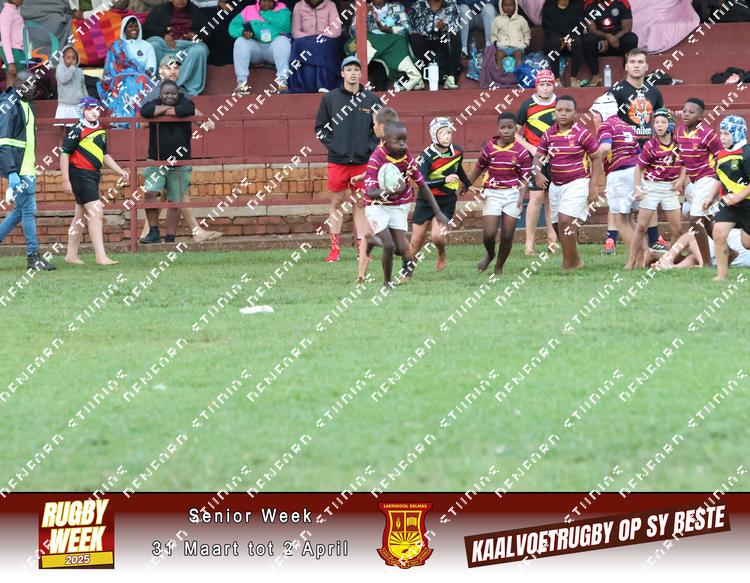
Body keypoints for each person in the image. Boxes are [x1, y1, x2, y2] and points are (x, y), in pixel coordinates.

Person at [139, 55, 222, 244]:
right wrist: (178, 113)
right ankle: (191, 231)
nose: (173, 71)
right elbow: (143, 120)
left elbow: (188, 110)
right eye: (169, 67)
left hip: (179, 154)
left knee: (173, 196)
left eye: (176, 68)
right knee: (157, 193)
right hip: (158, 153)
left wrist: (191, 115)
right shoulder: (153, 92)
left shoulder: (183, 93)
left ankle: (160, 235)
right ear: (161, 70)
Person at [364, 121, 449, 289]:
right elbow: (371, 192)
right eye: (397, 141)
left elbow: (422, 184)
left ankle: (373, 240)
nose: (403, 144)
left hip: (398, 205)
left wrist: (438, 212)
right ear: (386, 140)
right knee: (389, 245)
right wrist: (394, 190)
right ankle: (387, 284)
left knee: (399, 249)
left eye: (404, 140)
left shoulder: (406, 156)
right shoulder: (376, 158)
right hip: (376, 205)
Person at [314, 56, 381, 262]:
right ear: (342, 73)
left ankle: (362, 250)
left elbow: (380, 129)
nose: (352, 73)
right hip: (338, 161)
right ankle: (334, 251)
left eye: (356, 69)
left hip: (362, 162)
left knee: (360, 203)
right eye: (348, 69)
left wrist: (368, 148)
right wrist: (336, 146)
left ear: (360, 74)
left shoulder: (371, 100)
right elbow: (320, 128)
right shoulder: (330, 98)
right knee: (337, 202)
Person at [607, 48, 666, 255]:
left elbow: (660, 119)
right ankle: (610, 239)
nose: (636, 65)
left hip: (647, 148)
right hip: (623, 150)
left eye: (640, 62)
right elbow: (607, 120)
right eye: (632, 62)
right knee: (618, 196)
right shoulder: (616, 91)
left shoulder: (654, 92)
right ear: (626, 66)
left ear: (647, 66)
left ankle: (654, 238)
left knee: (648, 193)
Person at [533, 95, 602, 270]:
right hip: (556, 185)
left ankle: (568, 264)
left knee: (565, 220)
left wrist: (594, 185)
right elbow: (538, 157)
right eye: (559, 110)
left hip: (578, 182)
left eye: (568, 110)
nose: (563, 114)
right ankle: (575, 260)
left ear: (575, 113)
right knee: (557, 226)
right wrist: (538, 173)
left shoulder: (582, 134)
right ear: (555, 112)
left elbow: (596, 158)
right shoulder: (548, 133)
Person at [61, 97, 130, 265]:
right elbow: (64, 154)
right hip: (80, 175)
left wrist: (119, 170)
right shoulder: (76, 129)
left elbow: (104, 155)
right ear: (82, 110)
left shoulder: (100, 130)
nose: (94, 112)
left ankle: (71, 255)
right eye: (90, 108)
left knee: (80, 216)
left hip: (93, 175)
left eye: (97, 109)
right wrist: (65, 180)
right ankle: (101, 256)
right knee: (96, 212)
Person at [0, 71, 55, 271]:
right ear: (17, 85)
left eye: (34, 84)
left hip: (27, 167)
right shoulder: (9, 105)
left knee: (19, 212)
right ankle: (33, 257)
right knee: (29, 211)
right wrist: (11, 172)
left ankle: (34, 257)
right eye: (27, 84)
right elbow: (3, 141)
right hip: (19, 169)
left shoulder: (28, 105)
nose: (32, 88)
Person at [467, 112, 531, 274]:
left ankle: (499, 266)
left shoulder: (522, 152)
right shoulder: (489, 148)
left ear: (516, 129)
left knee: (507, 236)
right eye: (503, 127)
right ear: (498, 128)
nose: (507, 131)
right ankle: (490, 254)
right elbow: (479, 168)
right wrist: (467, 184)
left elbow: (524, 178)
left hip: (513, 195)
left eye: (510, 127)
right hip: (492, 193)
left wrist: (521, 198)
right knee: (489, 234)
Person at [410, 117, 469, 272]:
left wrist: (468, 184)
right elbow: (421, 182)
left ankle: (442, 253)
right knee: (416, 241)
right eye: (442, 133)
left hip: (446, 200)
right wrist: (444, 180)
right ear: (434, 135)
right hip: (426, 200)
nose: (447, 136)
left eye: (449, 132)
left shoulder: (457, 151)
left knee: (437, 236)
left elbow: (458, 169)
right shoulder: (425, 156)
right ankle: (408, 270)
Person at [139, 80, 196, 243]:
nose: (169, 96)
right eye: (166, 93)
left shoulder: (185, 102)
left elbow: (187, 109)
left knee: (176, 200)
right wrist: (169, 110)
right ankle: (154, 233)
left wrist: (163, 111)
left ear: (178, 93)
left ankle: (170, 237)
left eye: (172, 93)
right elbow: (146, 111)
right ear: (160, 94)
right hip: (156, 160)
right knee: (150, 193)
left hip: (180, 161)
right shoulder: (153, 103)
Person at [627, 108, 684, 270]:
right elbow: (638, 168)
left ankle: (670, 258)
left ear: (670, 125)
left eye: (663, 122)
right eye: (656, 122)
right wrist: (638, 188)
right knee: (641, 227)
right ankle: (631, 261)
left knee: (677, 228)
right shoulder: (651, 145)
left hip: (670, 189)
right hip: (651, 187)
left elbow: (685, 163)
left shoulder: (678, 145)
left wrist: (681, 179)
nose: (659, 125)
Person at [590, 92, 640, 266]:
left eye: (596, 115)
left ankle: (634, 260)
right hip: (635, 173)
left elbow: (605, 147)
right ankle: (645, 254)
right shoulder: (627, 126)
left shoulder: (606, 126)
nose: (594, 119)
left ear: (603, 113)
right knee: (630, 220)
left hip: (619, 173)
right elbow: (639, 153)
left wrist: (593, 158)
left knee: (620, 219)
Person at [352, 107, 401, 282]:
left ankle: (404, 262)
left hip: (386, 197)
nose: (372, 127)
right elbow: (379, 168)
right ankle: (361, 275)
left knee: (390, 240)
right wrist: (364, 175)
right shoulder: (382, 145)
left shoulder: (394, 147)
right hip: (375, 195)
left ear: (383, 126)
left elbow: (393, 171)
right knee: (366, 233)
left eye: (374, 124)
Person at [674, 97, 723, 267]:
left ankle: (707, 264)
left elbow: (721, 156)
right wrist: (681, 178)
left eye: (691, 112)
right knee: (707, 222)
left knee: (695, 220)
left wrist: (718, 180)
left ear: (701, 116)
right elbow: (682, 158)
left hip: (708, 178)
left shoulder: (708, 134)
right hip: (695, 182)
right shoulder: (680, 132)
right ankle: (730, 252)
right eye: (684, 111)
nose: (686, 114)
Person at [702, 115, 750, 281]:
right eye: (721, 133)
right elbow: (719, 177)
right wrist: (710, 197)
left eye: (726, 134)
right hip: (728, 204)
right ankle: (721, 276)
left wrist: (738, 196)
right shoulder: (722, 154)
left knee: (747, 244)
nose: (722, 137)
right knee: (718, 233)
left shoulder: (747, 154)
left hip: (747, 204)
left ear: (737, 134)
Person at [515, 68, 557, 255]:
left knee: (552, 199)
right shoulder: (527, 105)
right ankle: (529, 244)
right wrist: (531, 148)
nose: (545, 88)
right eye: (542, 84)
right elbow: (515, 135)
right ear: (536, 86)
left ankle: (552, 241)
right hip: (536, 158)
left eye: (549, 84)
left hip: (556, 156)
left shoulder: (559, 103)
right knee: (536, 198)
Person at [347, 0, 424, 91]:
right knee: (364, 41)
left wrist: (390, 30)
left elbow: (407, 29)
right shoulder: (363, 8)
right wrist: (364, 15)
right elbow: (353, 32)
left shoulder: (397, 8)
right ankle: (414, 76)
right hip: (371, 43)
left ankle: (413, 77)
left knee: (400, 40)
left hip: (391, 44)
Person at [143, 0, 210, 95]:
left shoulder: (195, 11)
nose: (181, 1)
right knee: (153, 45)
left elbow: (207, 31)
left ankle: (184, 86)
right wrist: (163, 34)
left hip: (186, 47)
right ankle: (158, 84)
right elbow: (146, 28)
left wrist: (196, 35)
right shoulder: (160, 10)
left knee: (200, 50)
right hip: (165, 46)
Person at [98, 16, 157, 120]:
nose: (134, 28)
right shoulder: (116, 46)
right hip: (119, 79)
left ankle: (137, 120)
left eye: (136, 26)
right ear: (124, 29)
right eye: (130, 26)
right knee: (120, 84)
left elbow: (151, 68)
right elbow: (109, 68)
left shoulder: (147, 46)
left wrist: (137, 75)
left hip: (142, 79)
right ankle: (119, 120)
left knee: (138, 82)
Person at [229, 0, 292, 94]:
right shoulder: (249, 10)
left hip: (273, 49)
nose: (266, 4)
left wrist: (263, 13)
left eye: (269, 1)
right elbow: (234, 25)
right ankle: (242, 83)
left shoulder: (282, 8)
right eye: (263, 1)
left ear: (275, 1)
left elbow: (284, 25)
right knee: (240, 41)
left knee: (283, 41)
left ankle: (282, 82)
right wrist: (243, 32)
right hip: (256, 49)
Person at [289, 0, 343, 93]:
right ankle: (303, 85)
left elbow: (336, 30)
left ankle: (324, 85)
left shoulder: (330, 5)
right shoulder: (299, 5)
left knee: (322, 44)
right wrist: (311, 38)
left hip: (326, 38)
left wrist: (320, 37)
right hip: (305, 40)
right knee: (297, 45)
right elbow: (295, 31)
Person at [582, 0, 638, 87]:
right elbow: (592, 30)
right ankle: (595, 76)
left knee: (631, 38)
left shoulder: (622, 3)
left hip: (618, 42)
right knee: (588, 39)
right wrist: (607, 36)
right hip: (600, 43)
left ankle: (626, 74)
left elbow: (627, 28)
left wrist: (612, 39)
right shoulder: (589, 4)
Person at [409, 0, 461, 89]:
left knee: (454, 36)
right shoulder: (419, 5)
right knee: (415, 38)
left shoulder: (451, 4)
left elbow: (455, 28)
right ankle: (418, 78)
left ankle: (450, 77)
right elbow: (410, 27)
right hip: (424, 44)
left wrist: (443, 28)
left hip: (441, 44)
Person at [541, 0, 584, 86]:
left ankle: (573, 78)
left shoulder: (577, 5)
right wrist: (562, 40)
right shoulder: (548, 7)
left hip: (571, 38)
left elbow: (580, 26)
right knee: (554, 41)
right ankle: (556, 79)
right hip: (556, 40)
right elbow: (547, 29)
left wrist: (569, 37)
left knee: (577, 42)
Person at [491, 0, 530, 69]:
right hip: (503, 46)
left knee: (518, 54)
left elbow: (526, 33)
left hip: (517, 46)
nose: (508, 7)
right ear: (501, 7)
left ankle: (518, 72)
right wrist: (495, 42)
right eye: (505, 5)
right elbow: (493, 34)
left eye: (510, 5)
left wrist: (526, 43)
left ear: (515, 6)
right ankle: (499, 73)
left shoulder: (521, 19)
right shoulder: (497, 20)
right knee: (499, 55)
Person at [55, 46, 88, 125]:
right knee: (65, 129)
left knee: (78, 128)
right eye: (68, 57)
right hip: (65, 106)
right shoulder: (60, 68)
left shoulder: (79, 71)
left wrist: (86, 100)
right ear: (63, 58)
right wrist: (72, 68)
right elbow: (63, 79)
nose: (71, 60)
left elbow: (83, 87)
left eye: (73, 58)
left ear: (77, 59)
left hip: (78, 105)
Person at [0, 0, 26, 88]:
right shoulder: (7, 12)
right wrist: (10, 62)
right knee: (17, 83)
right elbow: (5, 38)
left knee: (13, 81)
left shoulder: (14, 11)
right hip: (13, 51)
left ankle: (10, 97)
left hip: (17, 51)